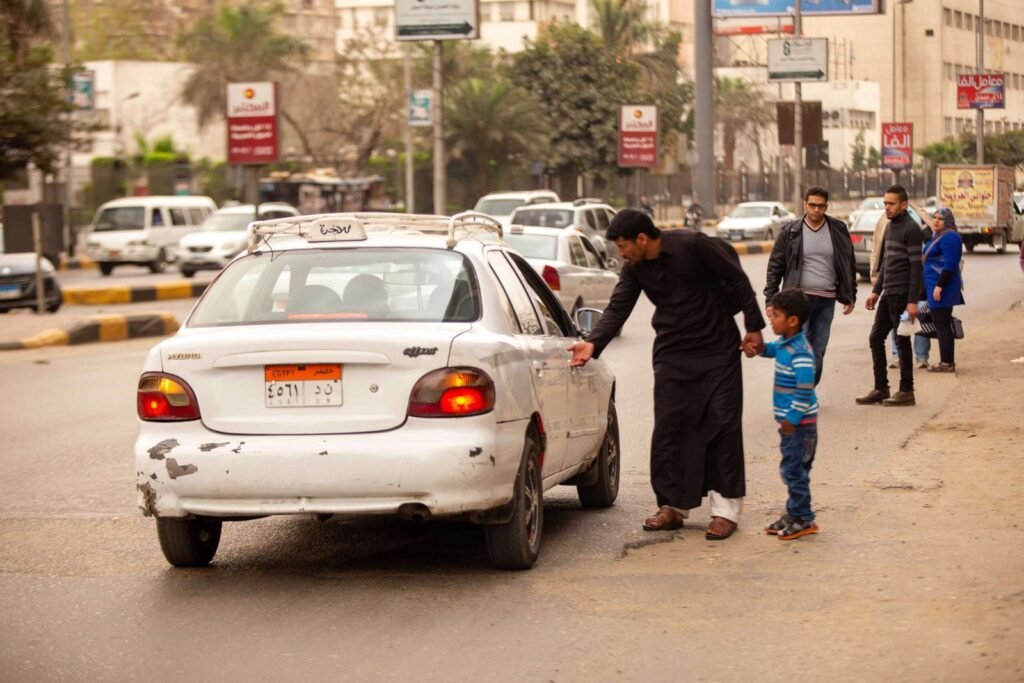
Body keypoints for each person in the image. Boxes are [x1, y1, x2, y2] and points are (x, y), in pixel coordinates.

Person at [566, 209, 766, 540]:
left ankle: (725, 511)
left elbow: (737, 280)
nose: (621, 254)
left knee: (723, 425)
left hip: (717, 350)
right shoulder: (635, 268)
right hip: (672, 355)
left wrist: (754, 327)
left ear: (642, 239)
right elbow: (619, 306)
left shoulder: (694, 245)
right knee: (671, 429)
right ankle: (672, 505)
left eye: (623, 246)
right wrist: (592, 343)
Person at [746, 289, 820, 540]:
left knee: (794, 471)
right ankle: (794, 513)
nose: (771, 319)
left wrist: (792, 419)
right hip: (794, 425)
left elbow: (805, 389)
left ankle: (804, 518)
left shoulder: (800, 353)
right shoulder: (788, 345)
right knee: (793, 470)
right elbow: (773, 349)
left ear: (792, 321)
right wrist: (759, 348)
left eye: (775, 315)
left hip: (799, 426)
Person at [764, 186, 856, 385]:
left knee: (818, 350)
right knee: (799, 347)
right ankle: (801, 391)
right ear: (805, 205)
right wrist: (771, 300)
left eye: (820, 206)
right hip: (798, 301)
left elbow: (848, 263)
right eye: (812, 205)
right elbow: (775, 266)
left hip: (826, 300)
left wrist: (850, 295)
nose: (816, 210)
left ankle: (807, 389)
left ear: (826, 206)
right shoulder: (790, 231)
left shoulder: (838, 230)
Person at [857, 185, 923, 407]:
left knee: (901, 341)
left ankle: (906, 390)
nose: (887, 207)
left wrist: (912, 301)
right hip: (888, 293)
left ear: (904, 204)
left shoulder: (911, 229)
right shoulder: (890, 226)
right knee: (876, 338)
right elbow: (886, 261)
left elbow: (916, 268)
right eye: (885, 203)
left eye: (891, 203)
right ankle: (881, 387)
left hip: (903, 294)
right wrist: (876, 291)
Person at [922, 207, 964, 372]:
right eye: (935, 217)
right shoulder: (938, 236)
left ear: (948, 221)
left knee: (942, 324)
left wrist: (939, 286)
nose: (936, 221)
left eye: (941, 218)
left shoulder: (951, 237)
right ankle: (946, 361)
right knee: (941, 323)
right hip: (934, 285)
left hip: (942, 287)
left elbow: (950, 264)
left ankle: (947, 362)